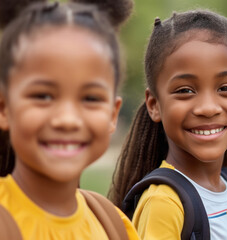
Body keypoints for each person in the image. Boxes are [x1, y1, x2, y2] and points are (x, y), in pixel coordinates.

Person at [108, 10, 227, 240]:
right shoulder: (164, 204)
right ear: (154, 105)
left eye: (226, 88)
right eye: (185, 91)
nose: (208, 108)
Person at [0, 0, 139, 239]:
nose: (67, 120)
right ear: (4, 108)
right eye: (43, 96)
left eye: (90, 98)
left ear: (112, 114)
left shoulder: (113, 224)